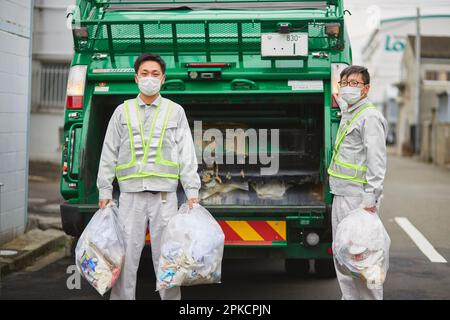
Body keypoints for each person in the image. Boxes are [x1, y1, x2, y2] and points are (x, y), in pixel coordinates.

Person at [96, 53, 201, 300]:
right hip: (131, 197)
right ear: (136, 78)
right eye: (145, 74)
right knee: (125, 259)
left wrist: (192, 191)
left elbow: (187, 154)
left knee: (168, 259)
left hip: (164, 198)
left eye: (155, 74)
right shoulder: (122, 112)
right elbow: (109, 152)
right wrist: (104, 190)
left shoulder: (175, 112)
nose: (150, 79)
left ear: (163, 79)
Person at [328, 65, 388, 300]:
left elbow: (377, 161)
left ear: (366, 89)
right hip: (342, 194)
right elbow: (343, 103)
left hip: (359, 199)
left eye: (355, 83)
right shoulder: (351, 112)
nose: (349, 88)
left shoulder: (370, 117)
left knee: (365, 257)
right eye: (345, 83)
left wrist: (370, 199)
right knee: (343, 254)